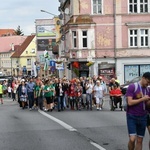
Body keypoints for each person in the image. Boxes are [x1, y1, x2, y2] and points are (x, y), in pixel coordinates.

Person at [126, 72, 150, 150]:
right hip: (132, 116)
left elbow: (147, 105)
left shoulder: (148, 89)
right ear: (143, 78)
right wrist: (142, 99)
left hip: (143, 116)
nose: (148, 84)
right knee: (132, 139)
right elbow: (129, 102)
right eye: (148, 82)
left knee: (140, 140)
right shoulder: (133, 87)